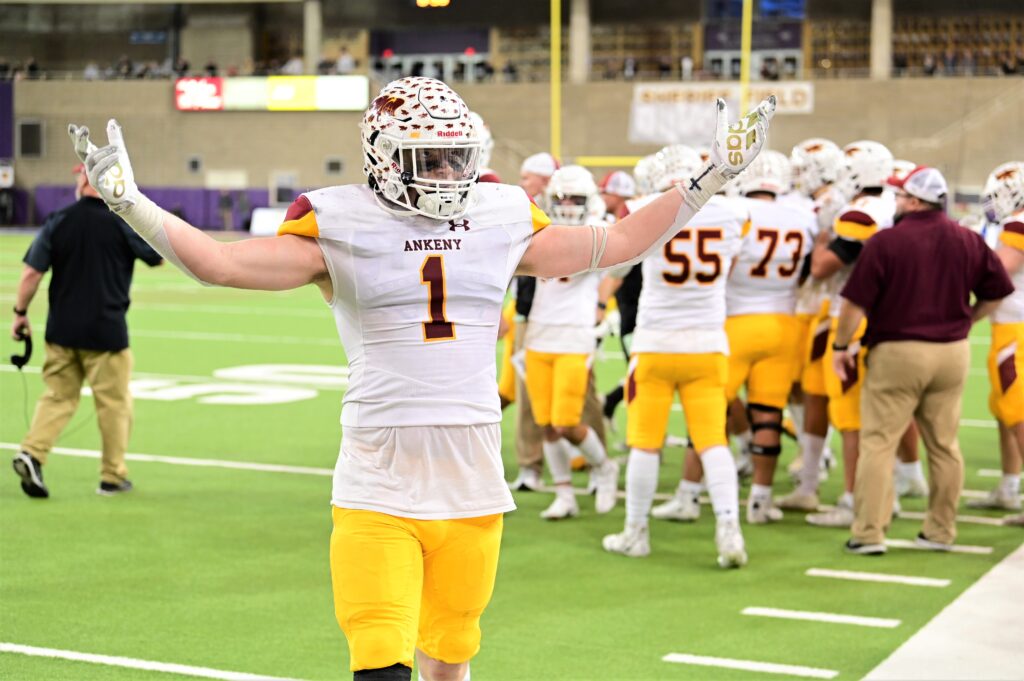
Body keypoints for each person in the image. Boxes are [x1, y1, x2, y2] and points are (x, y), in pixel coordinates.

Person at [68, 77, 774, 680]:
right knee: (380, 659)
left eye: (454, 157)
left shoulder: (500, 214)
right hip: (379, 475)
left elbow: (616, 242)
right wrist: (131, 201)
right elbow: (220, 263)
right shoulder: (338, 220)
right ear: (382, 157)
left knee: (451, 657)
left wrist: (708, 179)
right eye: (426, 158)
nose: (443, 172)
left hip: (471, 482)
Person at [836, 167, 1014, 554]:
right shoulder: (967, 239)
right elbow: (998, 290)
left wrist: (840, 346)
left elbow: (854, 303)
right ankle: (940, 530)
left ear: (914, 201)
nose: (895, 202)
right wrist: (968, 319)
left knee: (879, 443)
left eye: (900, 196)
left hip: (897, 350)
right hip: (951, 352)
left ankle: (869, 532)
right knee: (945, 445)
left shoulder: (887, 242)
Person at [604, 143, 749, 567]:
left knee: (645, 444)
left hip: (656, 343)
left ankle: (636, 532)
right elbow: (733, 269)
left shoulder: (641, 206)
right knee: (713, 441)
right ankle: (729, 528)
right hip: (707, 343)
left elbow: (616, 265)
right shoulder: (733, 212)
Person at [10, 163, 162, 499]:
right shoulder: (122, 221)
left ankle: (33, 453)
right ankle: (112, 476)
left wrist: (20, 313)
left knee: (58, 397)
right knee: (114, 404)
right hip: (106, 332)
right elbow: (157, 256)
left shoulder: (59, 220)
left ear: (83, 182)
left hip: (61, 331)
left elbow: (31, 274)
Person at [722, 150, 817, 523]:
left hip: (737, 322)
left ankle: (698, 493)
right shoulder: (803, 214)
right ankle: (760, 501)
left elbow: (723, 267)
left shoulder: (733, 210)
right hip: (783, 325)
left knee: (713, 411)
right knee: (768, 416)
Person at [804, 140, 895, 528]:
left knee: (850, 415)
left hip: (854, 316)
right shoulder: (892, 203)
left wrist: (821, 237)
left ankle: (854, 499)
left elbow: (823, 266)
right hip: (884, 315)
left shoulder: (861, 213)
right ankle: (886, 493)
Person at [526, 165, 619, 519]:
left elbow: (623, 262)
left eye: (575, 199)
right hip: (538, 333)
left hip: (574, 336)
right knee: (546, 423)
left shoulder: (598, 231)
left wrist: (601, 306)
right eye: (562, 197)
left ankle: (603, 466)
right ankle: (564, 493)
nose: (566, 205)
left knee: (566, 421)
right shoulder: (537, 226)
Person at [969, 161, 1024, 525]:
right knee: (1004, 410)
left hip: (1017, 331)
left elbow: (1000, 270)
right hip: (1008, 328)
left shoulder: (1018, 223)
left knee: (1018, 412)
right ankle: (1008, 487)